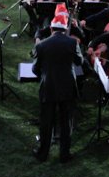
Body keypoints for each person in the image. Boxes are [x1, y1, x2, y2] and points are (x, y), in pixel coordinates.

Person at [32, 14, 84, 163]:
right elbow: (79, 61)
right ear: (65, 28)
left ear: (51, 28)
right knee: (66, 122)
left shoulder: (41, 45)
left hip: (48, 86)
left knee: (46, 122)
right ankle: (64, 154)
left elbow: (35, 69)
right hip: (67, 87)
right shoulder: (72, 43)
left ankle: (43, 154)